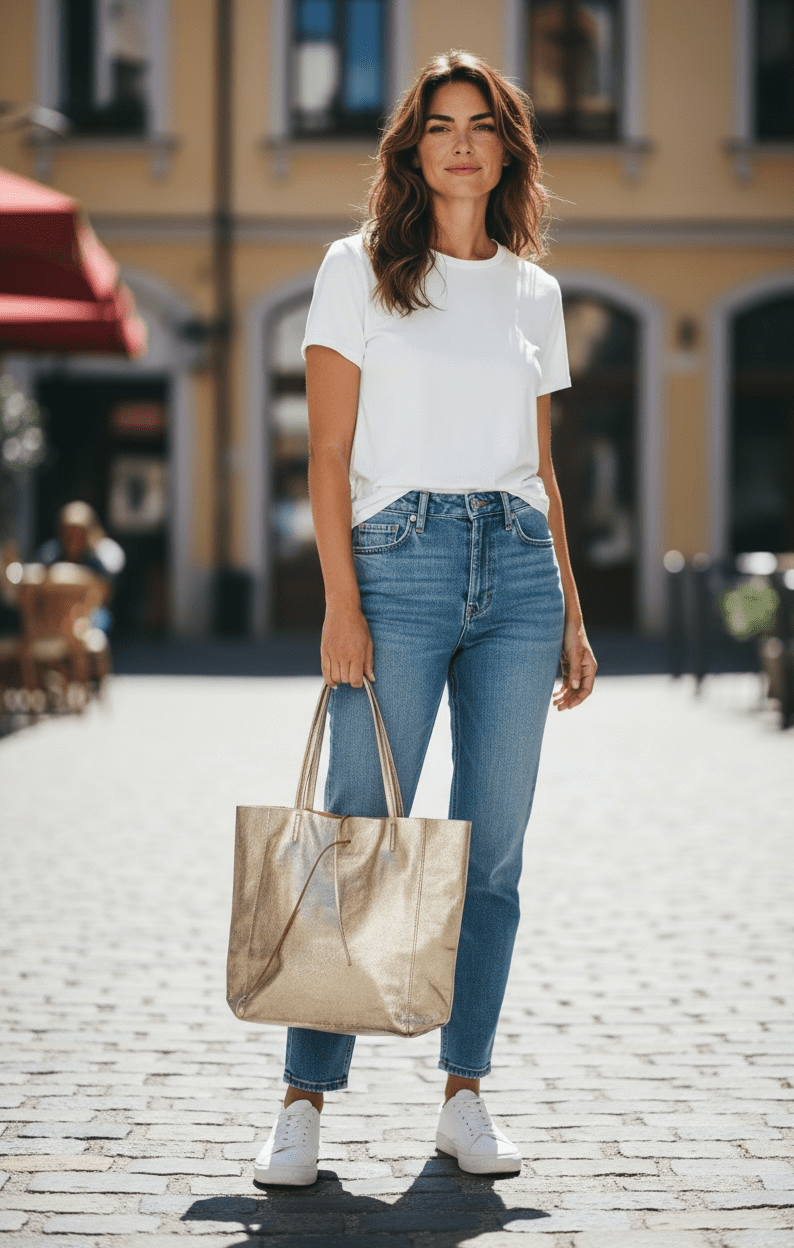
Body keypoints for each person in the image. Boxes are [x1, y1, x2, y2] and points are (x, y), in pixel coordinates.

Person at [255, 49, 597, 1188]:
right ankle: (304, 1101)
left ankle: (464, 1092)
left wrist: (574, 615)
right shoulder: (355, 270)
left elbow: (543, 470)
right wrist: (338, 605)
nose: (461, 142)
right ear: (412, 150)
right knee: (356, 832)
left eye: (481, 124)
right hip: (393, 567)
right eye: (439, 124)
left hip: (516, 572)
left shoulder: (534, 291)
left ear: (506, 148)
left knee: (490, 854)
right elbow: (331, 455)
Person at [36, 501, 125, 632]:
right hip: (55, 610)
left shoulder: (98, 560)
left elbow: (104, 594)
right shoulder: (49, 555)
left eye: (79, 532)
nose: (73, 537)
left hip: (89, 612)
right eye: (68, 531)